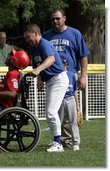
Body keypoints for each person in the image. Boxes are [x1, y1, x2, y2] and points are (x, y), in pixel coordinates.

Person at [42, 9, 90, 149]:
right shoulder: (46, 36)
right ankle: (58, 140)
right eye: (53, 19)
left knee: (71, 113)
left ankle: (70, 141)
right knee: (56, 111)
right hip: (52, 78)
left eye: (57, 18)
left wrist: (83, 76)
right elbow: (42, 59)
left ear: (64, 18)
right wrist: (40, 78)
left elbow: (83, 56)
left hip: (70, 76)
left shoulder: (74, 33)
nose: (55, 21)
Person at [23, 24, 69, 152]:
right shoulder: (34, 48)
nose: (27, 40)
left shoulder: (44, 44)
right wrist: (40, 80)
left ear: (36, 34)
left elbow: (51, 59)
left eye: (28, 37)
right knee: (49, 113)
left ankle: (58, 143)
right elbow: (39, 64)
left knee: (51, 112)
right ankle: (55, 140)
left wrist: (37, 70)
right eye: (25, 38)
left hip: (58, 79)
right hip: (50, 80)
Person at [58, 54, 80, 151]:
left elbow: (75, 91)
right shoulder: (57, 75)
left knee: (73, 122)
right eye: (61, 63)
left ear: (67, 64)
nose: (63, 65)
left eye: (64, 63)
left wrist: (77, 104)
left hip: (70, 98)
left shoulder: (72, 74)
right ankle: (57, 142)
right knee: (59, 122)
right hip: (61, 99)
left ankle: (75, 143)